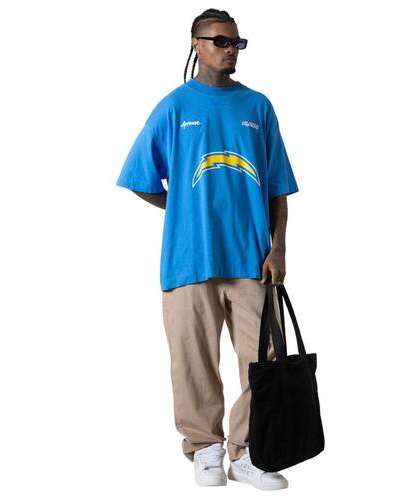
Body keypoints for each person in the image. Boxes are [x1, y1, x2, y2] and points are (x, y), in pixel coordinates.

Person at [116, 9, 299, 491]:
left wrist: (279, 248)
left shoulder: (258, 107)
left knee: (265, 361)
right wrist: (182, 210)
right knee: (192, 363)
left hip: (252, 261)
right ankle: (205, 449)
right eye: (221, 41)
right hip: (189, 260)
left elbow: (278, 187)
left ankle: (246, 452)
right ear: (196, 44)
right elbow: (139, 177)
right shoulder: (174, 107)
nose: (230, 49)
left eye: (237, 42)